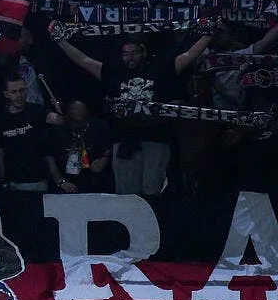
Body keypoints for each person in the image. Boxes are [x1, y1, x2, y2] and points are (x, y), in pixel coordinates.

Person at [54, 30, 211, 196]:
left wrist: (209, 33)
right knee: (126, 195)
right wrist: (60, 40)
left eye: (134, 52)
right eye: (125, 53)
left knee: (152, 192)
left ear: (144, 52)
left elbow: (189, 54)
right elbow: (83, 60)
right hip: (124, 141)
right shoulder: (114, 73)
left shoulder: (159, 69)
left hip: (155, 140)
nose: (130, 58)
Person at [0, 74, 63, 192]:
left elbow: (59, 120)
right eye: (14, 92)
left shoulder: (36, 111)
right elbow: (0, 153)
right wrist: (2, 179)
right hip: (12, 183)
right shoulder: (1, 120)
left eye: (21, 91)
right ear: (6, 94)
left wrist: (60, 108)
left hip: (37, 181)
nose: (18, 95)